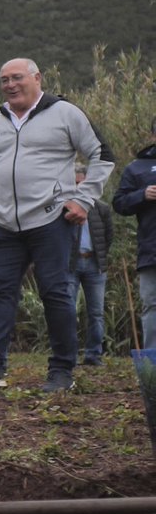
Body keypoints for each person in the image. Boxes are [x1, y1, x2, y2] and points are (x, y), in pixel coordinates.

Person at [0, 58, 113, 392]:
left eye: (17, 77)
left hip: (50, 220)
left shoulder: (65, 113)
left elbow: (102, 154)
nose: (10, 84)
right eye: (4, 79)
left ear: (37, 78)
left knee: (55, 293)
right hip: (3, 223)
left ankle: (62, 371)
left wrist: (84, 199)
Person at [112, 118, 156, 350]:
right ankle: (152, 368)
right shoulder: (137, 167)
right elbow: (119, 203)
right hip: (151, 250)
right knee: (152, 306)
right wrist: (142, 195)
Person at [67, 165, 114, 365]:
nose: (78, 187)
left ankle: (93, 354)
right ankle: (68, 355)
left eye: (81, 183)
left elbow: (108, 237)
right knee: (67, 309)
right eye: (74, 183)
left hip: (94, 264)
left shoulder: (101, 208)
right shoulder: (65, 208)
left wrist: (100, 257)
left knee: (96, 312)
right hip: (71, 264)